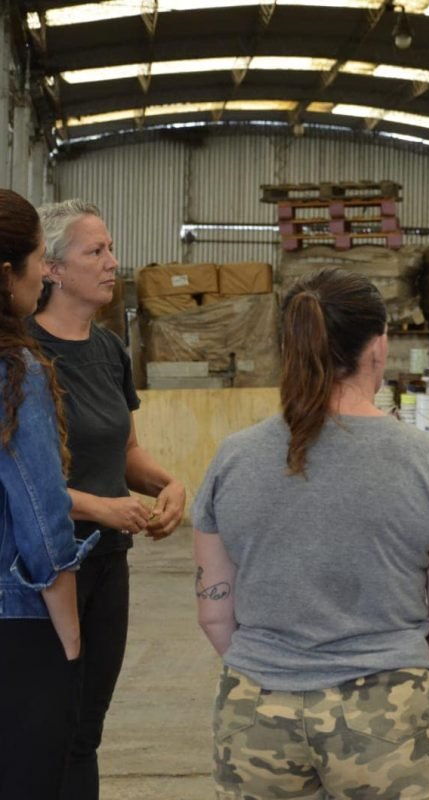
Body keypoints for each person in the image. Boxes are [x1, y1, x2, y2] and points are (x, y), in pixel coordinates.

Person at [193, 267, 429, 800]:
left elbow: (213, 610)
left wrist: (273, 667)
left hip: (255, 708)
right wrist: (397, 678)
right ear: (379, 348)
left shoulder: (234, 458)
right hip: (384, 707)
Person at [28, 199, 187, 800]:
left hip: (106, 563)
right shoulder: (22, 355)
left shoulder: (111, 351)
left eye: (110, 248)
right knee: (42, 726)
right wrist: (99, 507)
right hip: (39, 569)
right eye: (95, 252)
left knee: (86, 730)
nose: (112, 263)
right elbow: (17, 479)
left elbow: (125, 453)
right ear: (52, 268)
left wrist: (167, 485)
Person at [0, 189, 98, 797]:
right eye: (38, 259)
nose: (43, 274)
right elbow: (41, 518)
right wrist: (69, 634)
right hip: (16, 624)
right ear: (6, 272)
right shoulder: (16, 372)